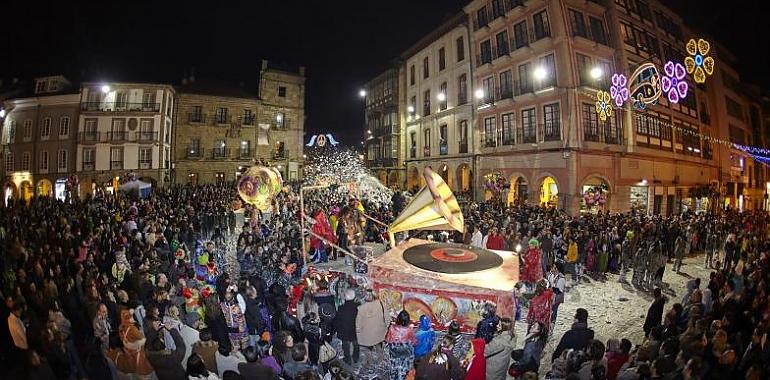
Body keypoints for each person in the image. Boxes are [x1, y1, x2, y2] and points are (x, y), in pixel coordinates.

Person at [385, 310, 417, 380]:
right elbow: (414, 342)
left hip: (394, 351)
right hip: (405, 352)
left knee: (394, 367)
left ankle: (394, 376)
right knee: (404, 368)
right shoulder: (409, 329)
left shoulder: (391, 328)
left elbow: (387, 340)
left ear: (398, 319)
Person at [333, 289, 359, 365]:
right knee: (356, 344)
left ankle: (348, 359)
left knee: (346, 346)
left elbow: (338, 321)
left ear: (345, 297)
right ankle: (356, 357)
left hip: (344, 330)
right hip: (355, 330)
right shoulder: (358, 307)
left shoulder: (341, 308)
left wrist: (337, 329)